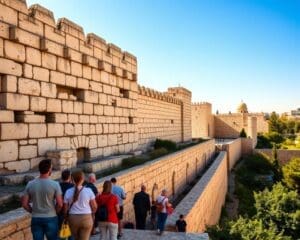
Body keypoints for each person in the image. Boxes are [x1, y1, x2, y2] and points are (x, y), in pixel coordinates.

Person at [21, 159, 63, 240]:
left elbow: (24, 204)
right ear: (49, 169)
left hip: (36, 217)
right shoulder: (55, 184)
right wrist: (55, 212)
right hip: (51, 217)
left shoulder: (30, 184)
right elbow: (60, 204)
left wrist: (32, 211)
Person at [63, 169, 97, 240]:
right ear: (83, 179)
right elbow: (94, 206)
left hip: (73, 218)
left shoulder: (68, 192)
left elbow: (65, 210)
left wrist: (66, 217)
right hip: (86, 218)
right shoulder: (89, 191)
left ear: (72, 179)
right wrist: (92, 213)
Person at [59, 169, 74, 240]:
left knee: (62, 234)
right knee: (71, 234)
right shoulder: (73, 187)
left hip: (60, 212)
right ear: (70, 177)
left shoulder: (58, 186)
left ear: (62, 177)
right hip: (71, 212)